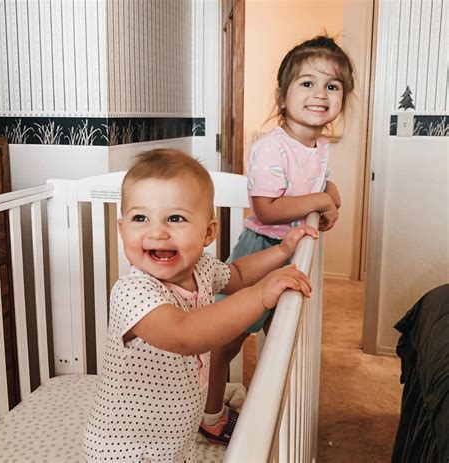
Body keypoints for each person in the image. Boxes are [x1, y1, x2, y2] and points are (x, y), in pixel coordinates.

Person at [82, 149, 317, 461]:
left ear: (208, 232)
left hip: (174, 438)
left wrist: (280, 253)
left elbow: (238, 273)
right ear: (122, 229)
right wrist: (261, 296)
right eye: (140, 218)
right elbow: (185, 334)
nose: (157, 231)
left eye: (175, 218)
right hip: (124, 450)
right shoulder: (133, 292)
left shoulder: (202, 269)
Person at [199, 35, 355, 444]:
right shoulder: (272, 146)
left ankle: (267, 410)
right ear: (282, 96)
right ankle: (210, 413)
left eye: (332, 86)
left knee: (278, 334)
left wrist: (330, 196)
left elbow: (317, 184)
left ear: (343, 98)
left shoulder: (318, 144)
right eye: (307, 83)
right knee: (229, 337)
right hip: (262, 250)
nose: (320, 93)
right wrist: (325, 199)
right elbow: (267, 208)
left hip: (292, 252)